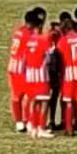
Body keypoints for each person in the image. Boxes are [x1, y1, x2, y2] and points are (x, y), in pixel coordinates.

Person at [23, 10, 53, 138]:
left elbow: (24, 57)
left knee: (33, 101)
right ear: (40, 26)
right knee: (44, 102)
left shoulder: (28, 40)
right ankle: (41, 127)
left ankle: (32, 126)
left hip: (30, 74)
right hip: (41, 74)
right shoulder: (43, 40)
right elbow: (49, 57)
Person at [7, 12, 32, 132]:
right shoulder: (28, 34)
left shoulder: (19, 31)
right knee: (24, 96)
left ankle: (19, 121)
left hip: (13, 66)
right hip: (21, 67)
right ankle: (24, 120)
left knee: (17, 96)